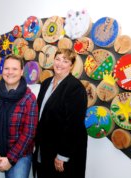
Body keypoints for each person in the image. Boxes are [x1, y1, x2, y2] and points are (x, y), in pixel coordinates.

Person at [34, 49, 88, 178]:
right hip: (45, 146)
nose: (60, 64)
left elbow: (73, 125)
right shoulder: (46, 83)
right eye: (58, 59)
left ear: (71, 65)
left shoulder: (75, 88)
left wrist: (62, 155)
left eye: (65, 61)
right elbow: (40, 113)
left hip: (62, 151)